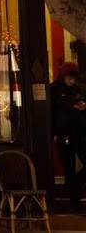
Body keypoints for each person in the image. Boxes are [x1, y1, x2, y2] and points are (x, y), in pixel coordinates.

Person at [52, 61, 86, 210]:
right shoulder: (53, 89)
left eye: (74, 78)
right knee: (68, 167)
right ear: (63, 76)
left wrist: (83, 107)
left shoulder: (78, 88)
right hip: (64, 133)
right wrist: (54, 133)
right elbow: (52, 112)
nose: (72, 81)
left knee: (72, 169)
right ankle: (75, 202)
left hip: (79, 132)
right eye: (70, 78)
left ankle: (76, 183)